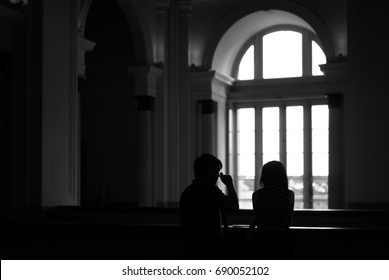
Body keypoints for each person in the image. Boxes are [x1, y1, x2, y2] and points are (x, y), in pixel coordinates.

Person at [179, 154, 239, 259]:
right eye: (216, 171)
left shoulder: (187, 192)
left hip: (192, 247)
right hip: (210, 248)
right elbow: (233, 207)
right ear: (209, 171)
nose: (218, 175)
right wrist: (229, 184)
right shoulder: (210, 190)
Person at [247, 161, 295, 259]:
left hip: (260, 240)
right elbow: (288, 223)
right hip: (281, 240)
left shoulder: (257, 195)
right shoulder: (289, 194)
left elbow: (258, 218)